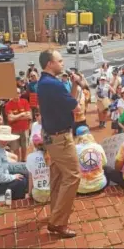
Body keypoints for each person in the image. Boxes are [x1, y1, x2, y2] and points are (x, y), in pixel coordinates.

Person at [37, 49, 82, 238]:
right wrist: (78, 89)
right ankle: (58, 222)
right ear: (50, 63)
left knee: (57, 177)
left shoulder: (45, 83)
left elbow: (67, 102)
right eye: (60, 60)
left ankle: (57, 212)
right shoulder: (54, 85)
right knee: (73, 176)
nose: (62, 64)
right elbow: (76, 108)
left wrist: (73, 86)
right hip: (60, 138)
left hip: (51, 136)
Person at [74, 126, 108, 195]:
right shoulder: (98, 146)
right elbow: (105, 163)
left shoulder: (74, 149)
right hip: (100, 186)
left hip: (80, 189)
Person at [5, 88, 31, 161]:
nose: (17, 94)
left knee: (24, 146)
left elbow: (29, 116)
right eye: (15, 93)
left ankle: (23, 161)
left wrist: (15, 117)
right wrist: (22, 114)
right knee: (15, 147)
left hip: (24, 128)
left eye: (18, 93)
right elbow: (10, 119)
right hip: (14, 130)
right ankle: (18, 162)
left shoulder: (25, 101)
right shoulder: (8, 105)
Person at [26, 134, 51, 203]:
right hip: (51, 194)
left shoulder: (30, 157)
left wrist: (29, 194)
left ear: (34, 144)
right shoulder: (51, 155)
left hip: (37, 196)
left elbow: (30, 178)